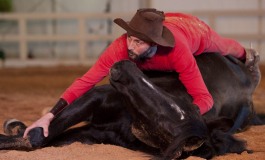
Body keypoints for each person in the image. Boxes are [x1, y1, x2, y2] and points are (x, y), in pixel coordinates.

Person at [23, 8, 259, 138]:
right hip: (165, 25)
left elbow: (204, 98)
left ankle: (248, 57)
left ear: (155, 43)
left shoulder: (179, 51)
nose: (131, 47)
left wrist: (181, 115)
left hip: (192, 30)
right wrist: (51, 114)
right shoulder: (120, 47)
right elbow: (86, 81)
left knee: (223, 45)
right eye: (130, 38)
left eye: (139, 43)